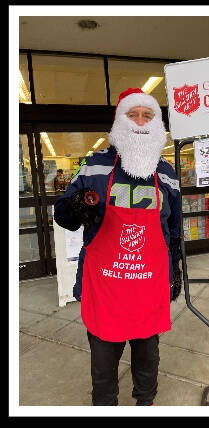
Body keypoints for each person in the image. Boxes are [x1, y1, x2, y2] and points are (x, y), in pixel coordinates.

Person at [53, 87, 182, 406]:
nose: (140, 121)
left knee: (148, 360)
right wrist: (76, 208)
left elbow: (174, 230)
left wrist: (175, 271)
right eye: (132, 114)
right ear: (119, 121)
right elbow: (64, 215)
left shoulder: (166, 173)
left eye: (147, 115)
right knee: (103, 368)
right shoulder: (95, 165)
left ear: (156, 124)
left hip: (148, 288)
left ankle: (145, 404)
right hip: (104, 289)